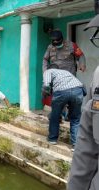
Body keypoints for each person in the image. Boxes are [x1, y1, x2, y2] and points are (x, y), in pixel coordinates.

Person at [67, 14, 99, 190]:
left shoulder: (72, 46)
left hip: (71, 80)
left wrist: (83, 65)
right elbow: (86, 147)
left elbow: (81, 56)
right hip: (65, 84)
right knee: (76, 115)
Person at [42, 66, 84, 149]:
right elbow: (71, 91)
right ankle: (75, 145)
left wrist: (44, 97)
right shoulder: (65, 72)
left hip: (61, 92)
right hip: (78, 90)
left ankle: (52, 139)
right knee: (75, 119)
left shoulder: (48, 71)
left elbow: (46, 87)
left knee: (55, 117)